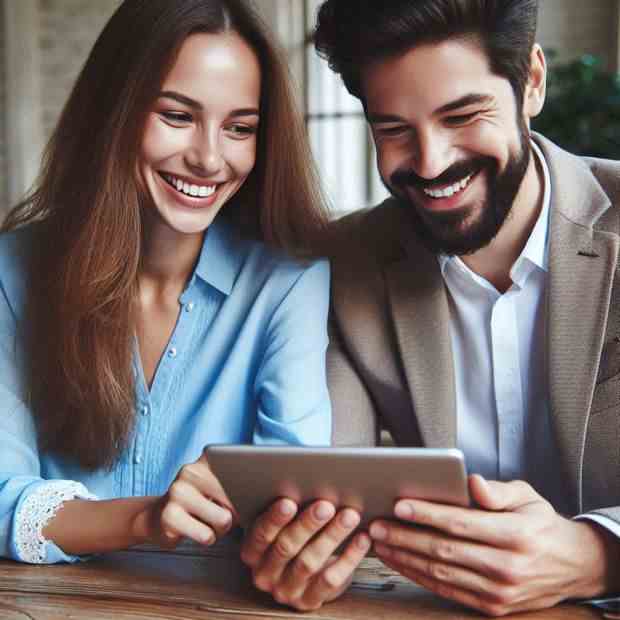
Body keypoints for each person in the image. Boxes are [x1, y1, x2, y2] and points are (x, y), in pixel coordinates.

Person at [0, 0, 357, 585]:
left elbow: (289, 502)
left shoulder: (288, 284)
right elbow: (1, 500)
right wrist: (147, 519)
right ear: (113, 111)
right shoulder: (13, 271)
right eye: (176, 115)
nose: (209, 158)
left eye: (240, 128)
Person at [308, 0, 620, 615]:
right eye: (393, 129)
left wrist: (597, 555)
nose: (430, 163)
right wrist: (307, 547)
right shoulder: (350, 266)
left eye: (462, 115)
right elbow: (329, 480)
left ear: (531, 82)